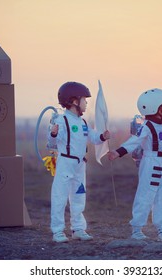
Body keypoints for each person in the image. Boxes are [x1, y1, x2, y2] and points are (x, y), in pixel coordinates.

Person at [108, 89, 162, 241]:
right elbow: (134, 141)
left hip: (161, 162)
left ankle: (161, 229)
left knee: (161, 195)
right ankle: (136, 229)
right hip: (150, 162)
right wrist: (118, 152)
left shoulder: (160, 121)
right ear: (155, 108)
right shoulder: (147, 126)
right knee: (145, 195)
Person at [49, 81, 110, 243]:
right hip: (65, 163)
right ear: (74, 101)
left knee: (78, 196)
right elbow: (53, 143)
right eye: (84, 99)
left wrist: (102, 136)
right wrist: (53, 134)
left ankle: (78, 228)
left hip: (80, 165)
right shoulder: (62, 121)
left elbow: (93, 137)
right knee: (60, 196)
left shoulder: (83, 123)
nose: (86, 103)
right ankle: (58, 231)